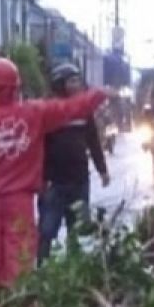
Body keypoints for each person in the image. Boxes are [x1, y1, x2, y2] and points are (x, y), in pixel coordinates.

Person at [0, 58, 107, 307]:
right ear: (16, 86)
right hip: (19, 202)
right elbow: (70, 108)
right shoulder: (34, 113)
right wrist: (97, 95)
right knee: (20, 256)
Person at [38, 63, 110, 264]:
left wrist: (102, 170)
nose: (77, 85)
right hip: (54, 182)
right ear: (60, 84)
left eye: (78, 80)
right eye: (72, 81)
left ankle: (75, 267)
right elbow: (38, 147)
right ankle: (41, 267)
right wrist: (40, 179)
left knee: (78, 229)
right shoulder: (49, 111)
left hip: (79, 180)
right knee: (47, 230)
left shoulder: (84, 111)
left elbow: (93, 141)